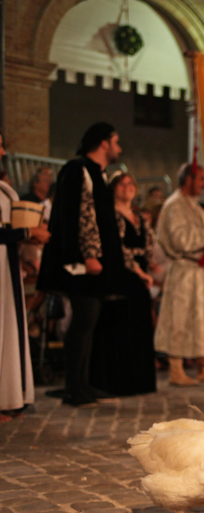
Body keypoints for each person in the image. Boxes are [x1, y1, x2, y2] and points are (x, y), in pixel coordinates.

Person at [38, 122, 126, 406]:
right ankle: (74, 388)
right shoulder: (79, 170)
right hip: (81, 264)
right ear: (103, 143)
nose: (119, 148)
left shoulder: (97, 173)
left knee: (89, 324)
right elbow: (81, 214)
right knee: (83, 322)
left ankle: (84, 384)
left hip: (94, 262)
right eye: (116, 142)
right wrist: (88, 255)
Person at [153, 163, 204, 385]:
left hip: (201, 271)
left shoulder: (193, 205)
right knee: (180, 319)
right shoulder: (175, 205)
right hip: (185, 270)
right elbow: (180, 240)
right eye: (201, 180)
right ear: (188, 180)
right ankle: (176, 370)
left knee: (202, 320)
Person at [89, 172, 157, 396]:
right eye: (122, 184)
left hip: (140, 278)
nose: (127, 187)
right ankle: (118, 382)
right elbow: (118, 248)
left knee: (139, 326)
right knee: (120, 326)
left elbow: (149, 245)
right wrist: (138, 270)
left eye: (130, 183)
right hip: (121, 276)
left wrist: (149, 266)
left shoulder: (141, 219)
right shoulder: (111, 216)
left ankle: (139, 380)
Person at [1, 130, 50, 420]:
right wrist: (27, 232)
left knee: (8, 328)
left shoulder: (5, 192)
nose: (3, 153)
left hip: (7, 266)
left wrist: (27, 238)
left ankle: (8, 396)